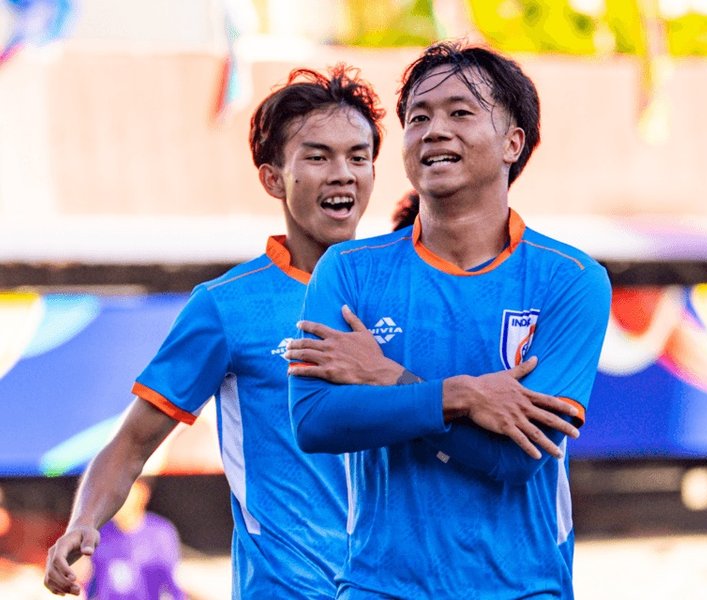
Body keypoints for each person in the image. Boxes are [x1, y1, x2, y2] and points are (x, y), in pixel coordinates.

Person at [43, 64, 385, 599]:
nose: (343, 173)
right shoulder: (227, 306)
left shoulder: (409, 290)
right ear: (273, 177)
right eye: (318, 156)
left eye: (358, 157)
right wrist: (84, 521)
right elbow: (132, 444)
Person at [287, 41, 612, 598]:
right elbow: (317, 423)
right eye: (418, 117)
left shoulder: (572, 279)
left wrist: (388, 379)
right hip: (378, 587)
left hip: (523, 587)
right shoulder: (349, 270)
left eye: (460, 112)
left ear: (514, 143)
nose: (434, 130)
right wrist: (459, 397)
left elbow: (514, 457)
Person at [83, 478, 184, 600]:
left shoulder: (160, 534)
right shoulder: (99, 533)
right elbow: (91, 583)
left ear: (142, 494)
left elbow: (174, 585)